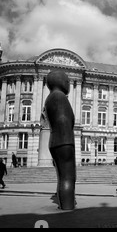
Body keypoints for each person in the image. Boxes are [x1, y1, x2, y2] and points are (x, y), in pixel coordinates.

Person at [44, 70, 76, 210]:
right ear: (61, 82)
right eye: (68, 81)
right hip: (64, 140)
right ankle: (68, 207)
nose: (69, 84)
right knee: (68, 177)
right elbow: (64, 120)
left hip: (56, 140)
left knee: (63, 176)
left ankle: (65, 204)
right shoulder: (59, 97)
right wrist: (68, 139)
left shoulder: (51, 97)